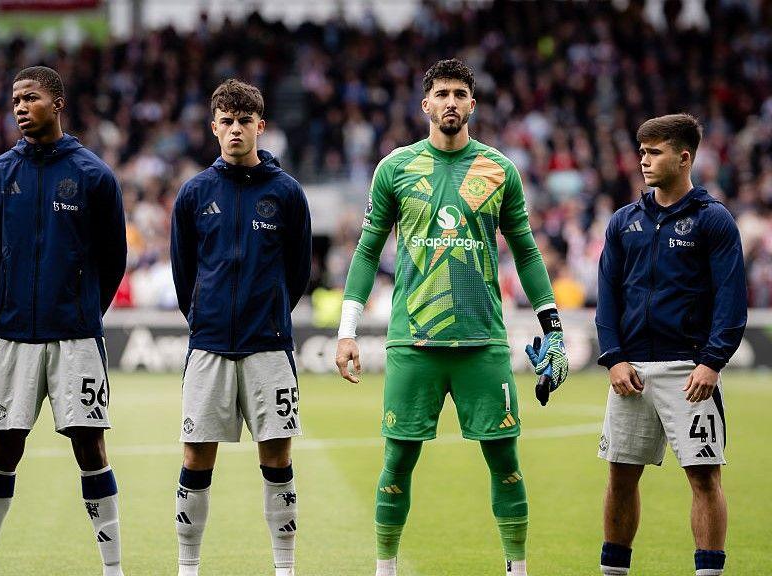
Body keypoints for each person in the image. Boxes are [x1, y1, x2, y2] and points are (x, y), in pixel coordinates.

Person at [334, 59, 568, 576]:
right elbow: (368, 250)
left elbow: (526, 251)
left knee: (505, 460)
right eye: (441, 93)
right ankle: (385, 568)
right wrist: (347, 330)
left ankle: (517, 569)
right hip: (412, 341)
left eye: (460, 94)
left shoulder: (498, 170)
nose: (451, 103)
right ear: (426, 104)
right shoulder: (395, 168)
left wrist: (552, 327)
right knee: (398, 461)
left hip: (482, 340)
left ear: (473, 105)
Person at [0, 66, 127, 576]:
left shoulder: (94, 175)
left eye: (30, 97)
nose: (19, 106)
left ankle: (112, 567)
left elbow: (113, 259)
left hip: (76, 338)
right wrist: (11, 310)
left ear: (57, 103)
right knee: (2, 448)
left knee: (90, 446)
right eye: (14, 98)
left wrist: (80, 309)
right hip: (13, 337)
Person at [169, 79, 312, 576]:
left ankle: (284, 566)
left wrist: (270, 312)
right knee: (195, 453)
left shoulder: (287, 193)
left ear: (260, 126)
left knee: (276, 452)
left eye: (243, 121)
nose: (235, 130)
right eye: (226, 122)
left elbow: (298, 272)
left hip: (269, 346)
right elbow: (183, 271)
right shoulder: (194, 193)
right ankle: (189, 565)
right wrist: (206, 316)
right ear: (214, 127)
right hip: (208, 344)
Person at [595, 114, 746, 576]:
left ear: (684, 158)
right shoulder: (624, 221)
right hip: (631, 373)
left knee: (704, 477)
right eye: (641, 151)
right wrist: (614, 358)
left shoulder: (713, 220)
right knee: (621, 476)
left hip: (689, 373)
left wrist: (712, 362)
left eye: (654, 151)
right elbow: (608, 295)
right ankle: (614, 572)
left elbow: (732, 298)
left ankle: (708, 573)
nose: (643, 160)